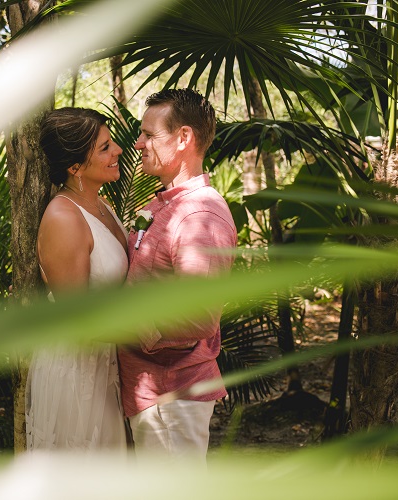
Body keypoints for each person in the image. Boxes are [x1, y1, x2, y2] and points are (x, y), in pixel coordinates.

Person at [118, 89, 237, 460]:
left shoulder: (200, 214)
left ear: (184, 138)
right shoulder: (162, 203)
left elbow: (197, 315)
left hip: (172, 397)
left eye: (149, 135)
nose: (138, 144)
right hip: (151, 396)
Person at [26, 107, 128, 451]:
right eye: (104, 147)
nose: (118, 151)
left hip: (107, 363)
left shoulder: (101, 206)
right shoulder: (64, 218)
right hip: (77, 374)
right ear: (75, 167)